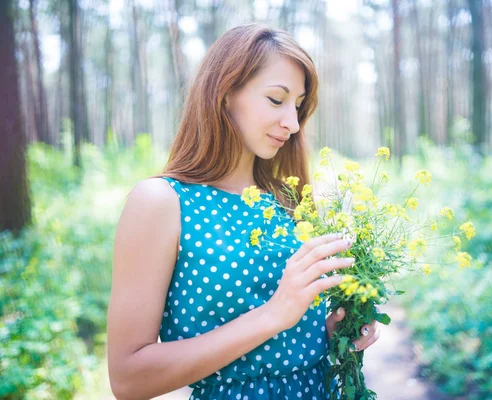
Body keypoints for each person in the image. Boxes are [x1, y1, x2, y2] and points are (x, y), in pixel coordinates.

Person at [107, 24, 381, 400]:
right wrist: (273, 316)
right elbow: (128, 379)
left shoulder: (289, 201)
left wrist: (331, 331)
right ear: (224, 93)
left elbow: (289, 330)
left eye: (298, 106)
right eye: (275, 99)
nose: (293, 122)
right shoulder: (162, 201)